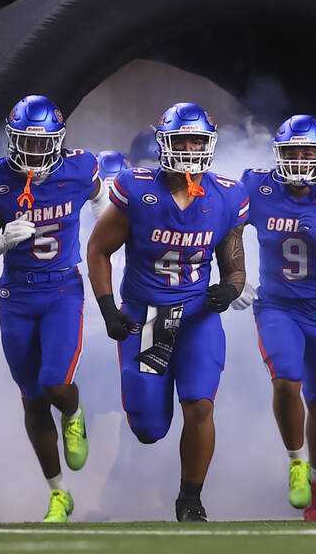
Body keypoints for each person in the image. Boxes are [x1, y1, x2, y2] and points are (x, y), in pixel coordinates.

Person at [86, 102, 249, 522]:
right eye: (182, 139)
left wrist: (228, 291)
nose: (191, 148)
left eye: (197, 140)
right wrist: (108, 309)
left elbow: (235, 266)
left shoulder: (228, 195)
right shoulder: (136, 189)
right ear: (164, 144)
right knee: (148, 428)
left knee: (200, 406)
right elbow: (99, 249)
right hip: (151, 319)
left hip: (196, 318)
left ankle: (190, 500)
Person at [0, 95, 107, 523]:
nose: (32, 151)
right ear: (12, 140)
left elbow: (105, 203)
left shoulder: (81, 169)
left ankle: (74, 412)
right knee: (30, 397)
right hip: (16, 296)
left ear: (58, 142)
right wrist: (2, 241)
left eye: (40, 142)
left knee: (54, 383)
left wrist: (102, 244)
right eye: (24, 142)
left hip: (62, 289)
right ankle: (58, 493)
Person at [234, 115, 316, 520]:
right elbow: (222, 226)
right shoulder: (257, 185)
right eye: (292, 152)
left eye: (308, 152)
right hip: (276, 305)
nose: (301, 160)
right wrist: (232, 275)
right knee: (287, 380)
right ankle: (296, 461)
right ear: (278, 154)